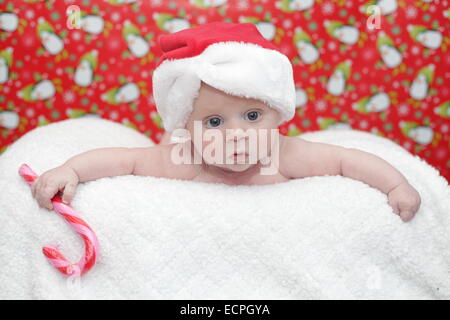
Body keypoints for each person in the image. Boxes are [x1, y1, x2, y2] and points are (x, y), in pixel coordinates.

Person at [31, 22, 421, 222]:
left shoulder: (285, 153)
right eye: (215, 121)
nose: (238, 133)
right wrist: (71, 170)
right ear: (190, 129)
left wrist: (396, 185)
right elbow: (123, 160)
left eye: (253, 116)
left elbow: (346, 160)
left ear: (277, 113)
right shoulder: (184, 157)